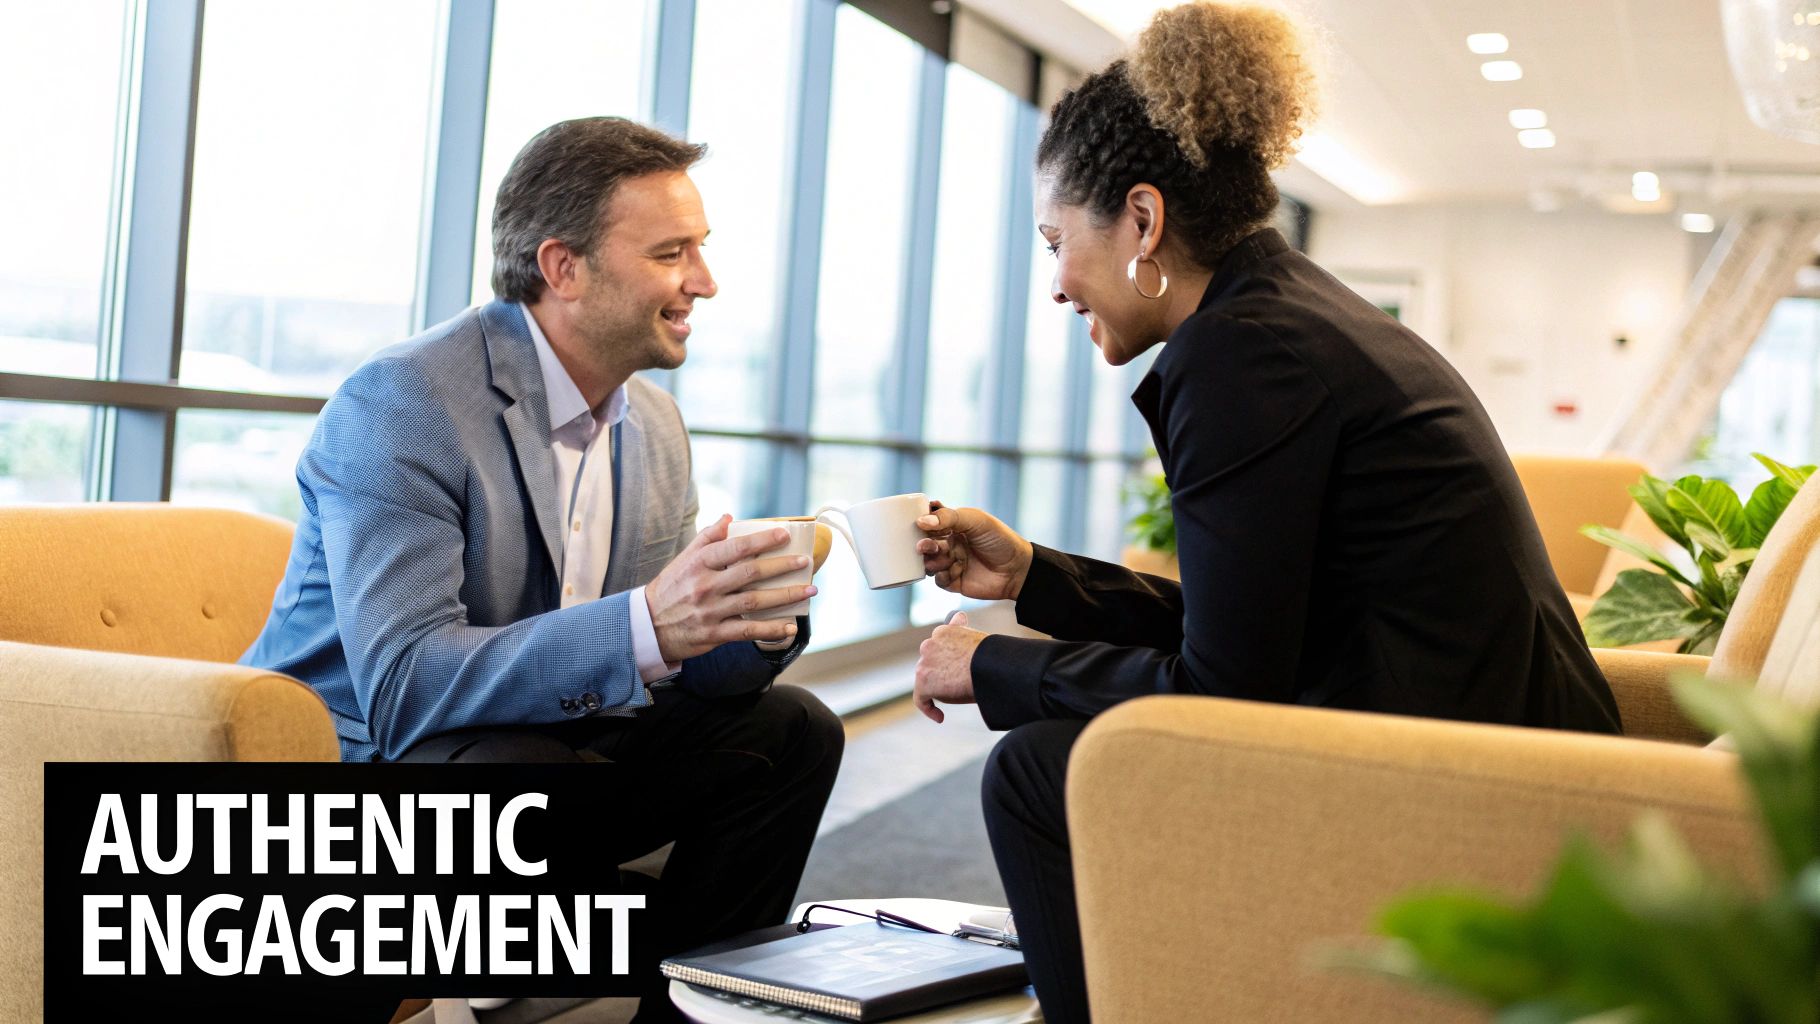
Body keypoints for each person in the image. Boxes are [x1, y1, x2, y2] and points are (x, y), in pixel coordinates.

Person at [908, 4, 1622, 1022]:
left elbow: (1225, 687)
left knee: (1036, 773)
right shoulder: (1282, 312)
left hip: (1472, 788)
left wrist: (993, 665)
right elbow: (1243, 630)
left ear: (1142, 222)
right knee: (1066, 756)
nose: (1057, 283)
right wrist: (1031, 576)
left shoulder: (1245, 354)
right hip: (1488, 742)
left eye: (1056, 239)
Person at [241, 117, 844, 1023]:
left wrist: (747, 623)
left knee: (792, 732)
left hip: (545, 753)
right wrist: (649, 624)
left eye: (701, 251)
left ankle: (682, 1011)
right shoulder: (404, 401)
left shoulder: (656, 425)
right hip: (371, 767)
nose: (704, 283)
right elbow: (405, 685)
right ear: (563, 267)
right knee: (525, 771)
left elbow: (667, 662)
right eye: (672, 253)